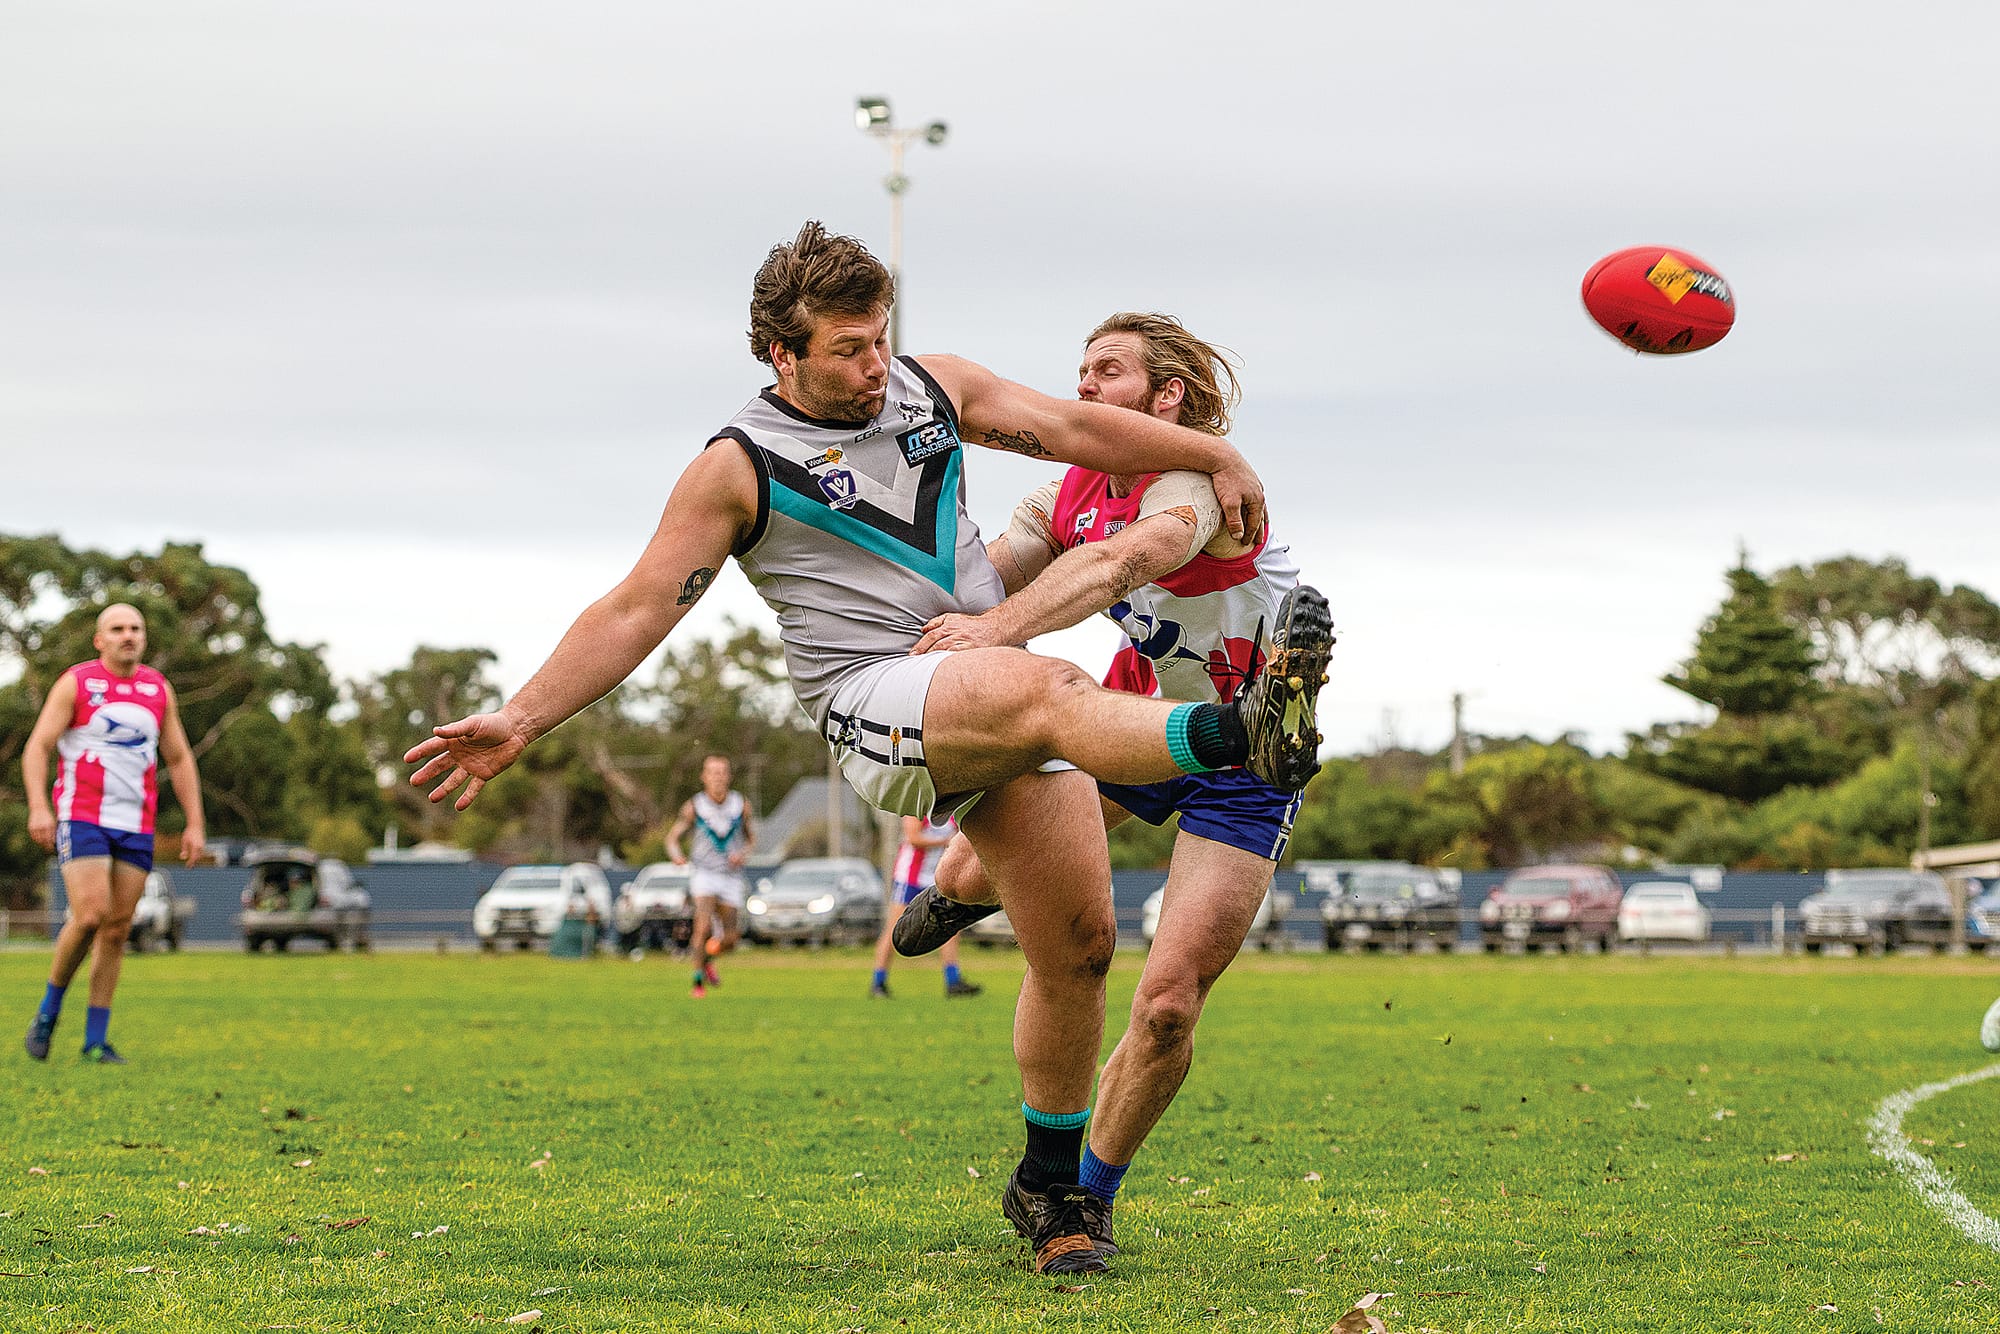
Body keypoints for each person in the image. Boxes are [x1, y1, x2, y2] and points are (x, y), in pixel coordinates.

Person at [404, 222, 1331, 1275]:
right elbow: (636, 605)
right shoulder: (736, 466)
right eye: (847, 350)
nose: (874, 365)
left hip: (980, 682)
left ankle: (1050, 1190)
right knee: (1051, 686)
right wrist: (523, 717)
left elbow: (1074, 426)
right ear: (781, 353)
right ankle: (1243, 731)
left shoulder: (935, 389)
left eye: (880, 338)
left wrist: (1215, 453)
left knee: (1078, 947)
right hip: (873, 698)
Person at [900, 312, 1324, 1257]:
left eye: (1108, 370)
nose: (1084, 386)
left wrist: (997, 631)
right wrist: (906, 622)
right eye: (1081, 369)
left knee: (1168, 1007)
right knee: (970, 869)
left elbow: (1120, 562)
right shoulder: (1069, 490)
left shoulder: (1199, 487)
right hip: (1131, 722)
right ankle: (956, 894)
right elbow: (995, 574)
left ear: (1167, 397)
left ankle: (1083, 1198)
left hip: (1252, 754)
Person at [22, 603, 206, 1065]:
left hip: (136, 822)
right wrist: (40, 807)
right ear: (99, 640)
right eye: (118, 628)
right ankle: (47, 1013)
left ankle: (95, 1042)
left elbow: (179, 758)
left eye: (136, 628)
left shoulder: (157, 688)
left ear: (144, 637)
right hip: (82, 813)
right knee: (90, 914)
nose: (128, 635)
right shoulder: (77, 682)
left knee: (118, 928)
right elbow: (38, 746)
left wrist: (195, 823)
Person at [666, 754, 756, 997]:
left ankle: (706, 960)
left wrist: (743, 854)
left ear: (729, 776)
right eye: (713, 772)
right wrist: (677, 856)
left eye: (722, 772)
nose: (718, 777)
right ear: (704, 777)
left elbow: (751, 839)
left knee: (730, 939)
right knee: (703, 926)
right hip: (704, 873)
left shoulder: (740, 805)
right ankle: (697, 984)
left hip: (730, 876)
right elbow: (672, 839)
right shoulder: (695, 806)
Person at [870, 813, 982, 999]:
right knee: (894, 928)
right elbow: (913, 838)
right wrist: (945, 842)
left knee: (950, 928)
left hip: (935, 878)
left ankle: (953, 981)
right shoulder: (919, 810)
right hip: (911, 878)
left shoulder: (951, 815)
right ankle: (878, 981)